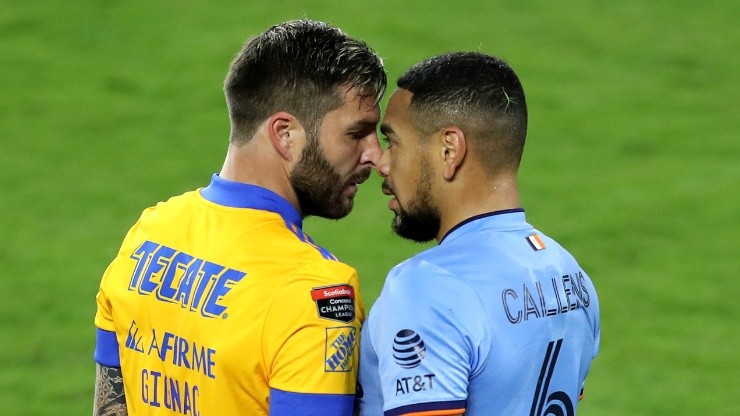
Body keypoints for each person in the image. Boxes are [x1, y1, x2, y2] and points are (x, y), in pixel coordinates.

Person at [93, 19, 386, 416]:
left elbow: (110, 408)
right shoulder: (318, 294)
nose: (376, 154)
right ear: (285, 134)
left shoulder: (147, 236)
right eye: (357, 133)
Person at [357, 52, 600, 416]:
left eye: (393, 141)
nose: (383, 163)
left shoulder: (427, 288)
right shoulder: (569, 276)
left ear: (449, 150)